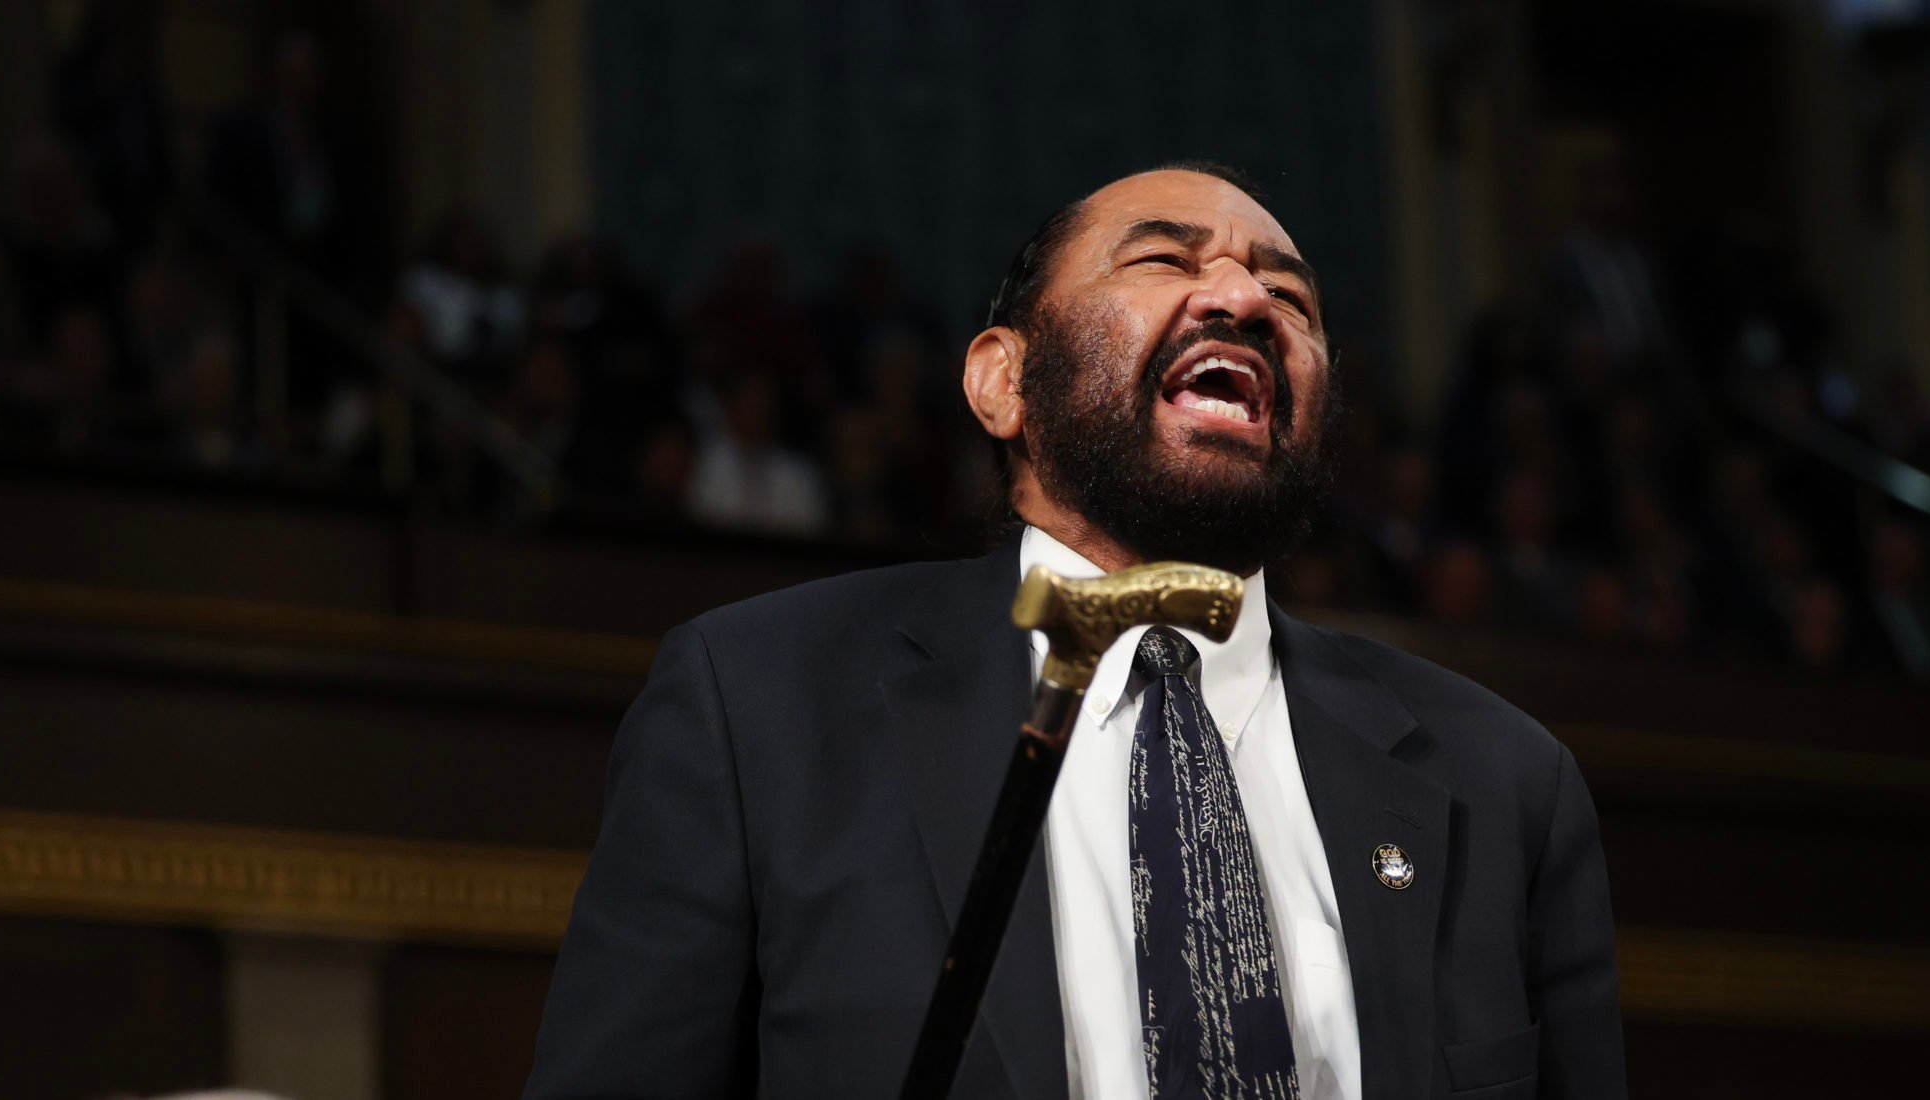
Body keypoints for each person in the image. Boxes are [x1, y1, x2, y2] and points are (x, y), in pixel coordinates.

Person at [525, 165, 1625, 1099]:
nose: (1244, 296)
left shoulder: (1505, 780)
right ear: (1002, 382)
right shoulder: (758, 703)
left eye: (1291, 295)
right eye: (1164, 259)